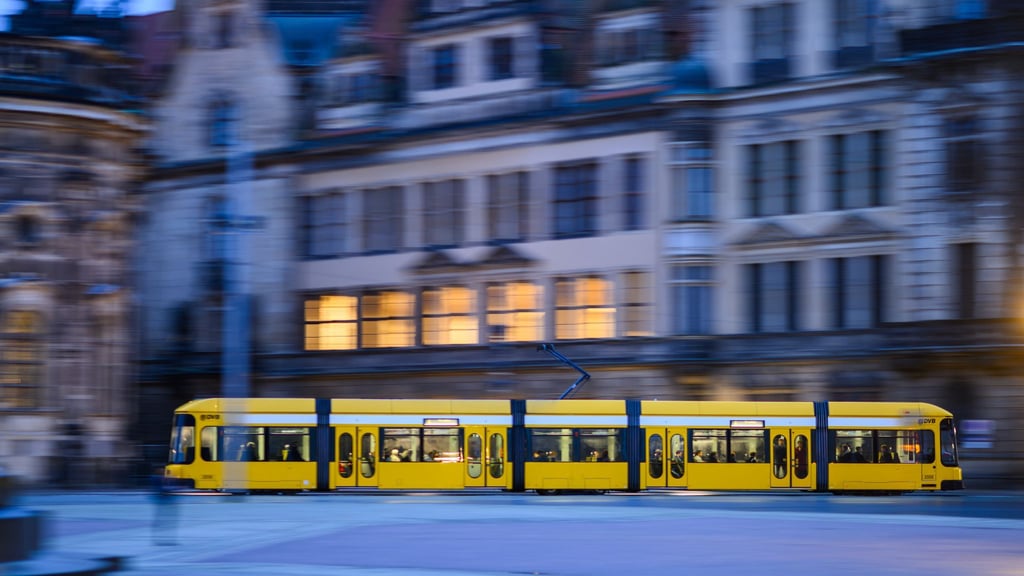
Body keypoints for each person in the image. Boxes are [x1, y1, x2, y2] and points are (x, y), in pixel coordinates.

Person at [150, 466, 178, 546]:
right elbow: (161, 490)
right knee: (164, 520)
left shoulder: (157, 478)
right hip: (163, 501)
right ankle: (161, 538)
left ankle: (162, 538)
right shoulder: (157, 479)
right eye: (162, 471)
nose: (163, 472)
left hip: (162, 501)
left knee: (162, 520)